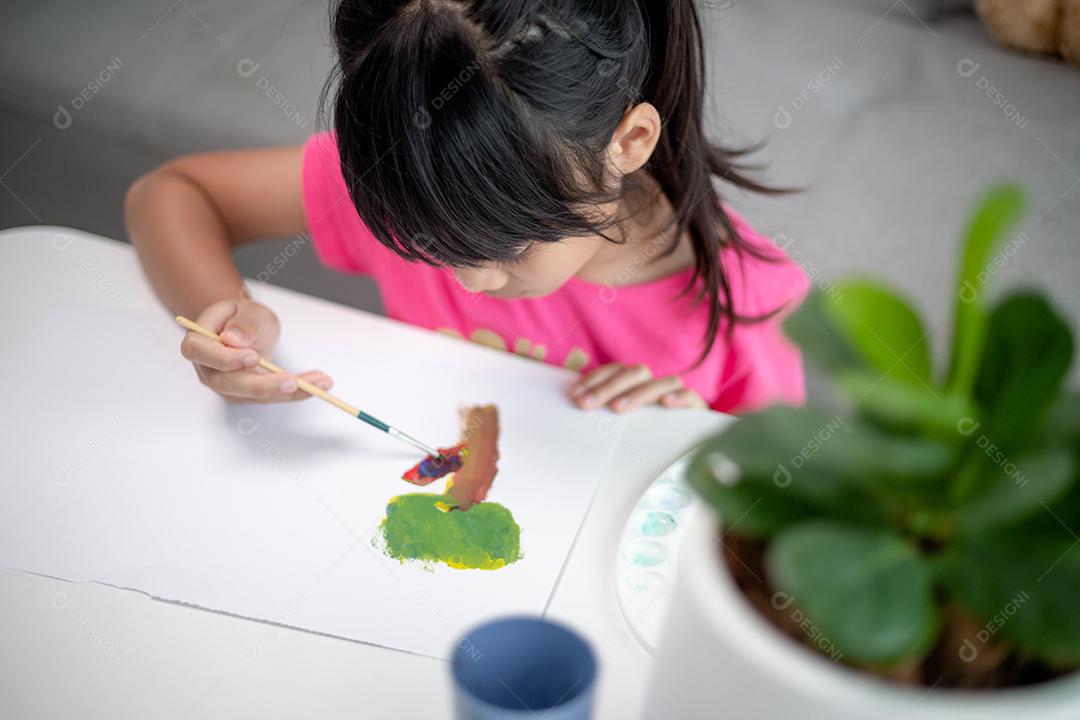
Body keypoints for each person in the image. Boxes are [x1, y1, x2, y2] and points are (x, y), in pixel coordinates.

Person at [126, 0, 810, 414]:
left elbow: (786, 503)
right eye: (429, 241)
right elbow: (171, 196)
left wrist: (685, 446)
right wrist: (227, 320)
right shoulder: (411, 179)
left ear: (628, 142)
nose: (470, 281)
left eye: (508, 247)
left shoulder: (737, 306)